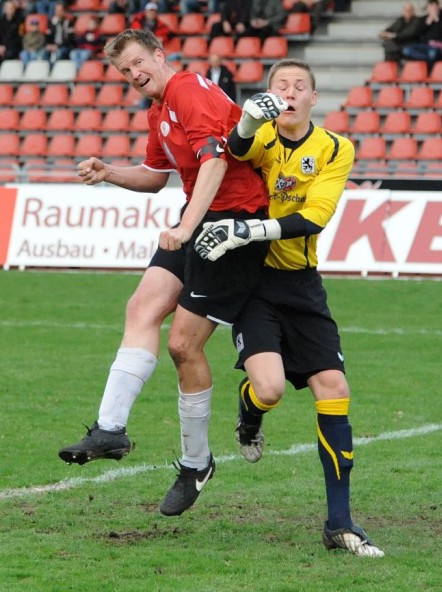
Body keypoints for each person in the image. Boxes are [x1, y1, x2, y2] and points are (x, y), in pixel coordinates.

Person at [58, 29, 272, 520]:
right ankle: (110, 428)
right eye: (124, 72)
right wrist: (108, 172)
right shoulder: (160, 109)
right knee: (141, 307)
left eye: (137, 63)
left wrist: (188, 227)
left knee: (183, 345)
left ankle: (197, 463)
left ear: (159, 55)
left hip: (234, 226)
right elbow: (156, 177)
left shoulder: (189, 90)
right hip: (200, 219)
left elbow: (215, 162)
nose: (134, 75)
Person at [194, 59, 384, 558]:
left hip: (302, 286)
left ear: (314, 99)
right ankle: (250, 413)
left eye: (300, 86)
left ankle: (339, 524)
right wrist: (246, 123)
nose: (291, 92)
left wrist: (247, 230)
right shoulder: (261, 136)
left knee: (334, 387)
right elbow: (233, 152)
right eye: (281, 85)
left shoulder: (336, 148)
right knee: (270, 388)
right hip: (253, 282)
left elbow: (314, 218)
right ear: (270, 95)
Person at [401, 0, 442, 67]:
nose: (433, 9)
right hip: (424, 46)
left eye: (435, 6)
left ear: (438, 7)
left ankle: (427, 66)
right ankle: (426, 59)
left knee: (432, 53)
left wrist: (437, 20)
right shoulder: (423, 19)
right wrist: (427, 23)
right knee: (406, 50)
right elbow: (417, 33)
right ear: (428, 8)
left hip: (438, 46)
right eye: (431, 7)